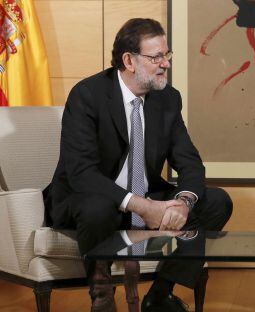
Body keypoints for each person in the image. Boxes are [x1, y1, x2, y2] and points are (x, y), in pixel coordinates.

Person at [43, 18, 232, 312]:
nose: (165, 63)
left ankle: (159, 294)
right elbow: (82, 174)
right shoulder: (88, 95)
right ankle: (102, 296)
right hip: (90, 200)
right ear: (129, 60)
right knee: (98, 205)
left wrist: (182, 202)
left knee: (217, 201)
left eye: (166, 55)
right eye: (156, 57)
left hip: (145, 197)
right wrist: (143, 206)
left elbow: (190, 163)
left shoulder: (167, 99)